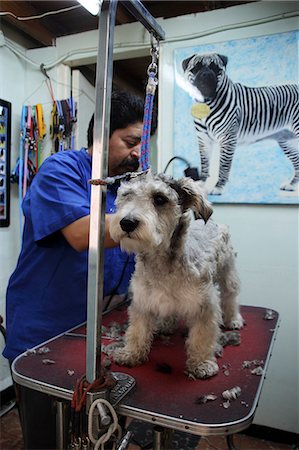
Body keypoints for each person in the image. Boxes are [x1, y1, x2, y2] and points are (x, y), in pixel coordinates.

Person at [3, 90, 157, 363]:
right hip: (47, 328)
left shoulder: (127, 186)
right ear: (101, 137)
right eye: (131, 142)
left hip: (102, 325)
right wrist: (154, 222)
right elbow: (80, 233)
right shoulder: (61, 170)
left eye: (142, 145)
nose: (138, 153)